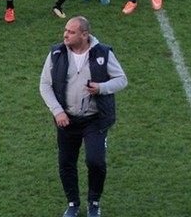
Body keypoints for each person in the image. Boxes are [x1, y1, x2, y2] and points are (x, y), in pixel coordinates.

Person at [39, 16, 128, 217]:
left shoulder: (102, 53)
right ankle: (72, 203)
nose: (65, 34)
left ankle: (94, 202)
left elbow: (122, 80)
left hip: (94, 119)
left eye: (71, 32)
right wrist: (57, 111)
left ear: (84, 35)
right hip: (67, 119)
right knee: (66, 163)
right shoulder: (57, 53)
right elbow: (45, 84)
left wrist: (102, 88)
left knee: (96, 161)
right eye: (65, 30)